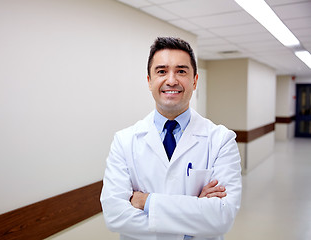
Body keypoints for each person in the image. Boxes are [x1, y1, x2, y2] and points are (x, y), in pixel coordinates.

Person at [100, 37, 242, 240]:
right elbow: (115, 215)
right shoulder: (124, 141)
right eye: (161, 71)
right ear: (149, 81)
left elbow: (222, 217)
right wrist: (195, 214)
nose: (171, 80)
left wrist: (146, 202)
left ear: (194, 80)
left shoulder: (221, 140)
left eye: (181, 71)